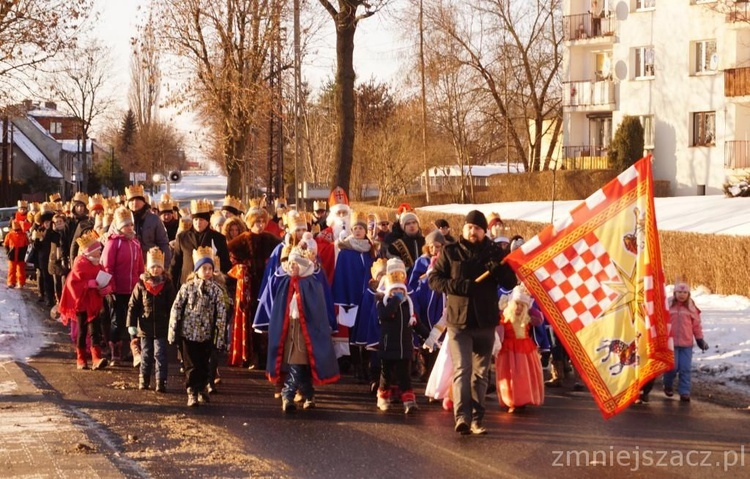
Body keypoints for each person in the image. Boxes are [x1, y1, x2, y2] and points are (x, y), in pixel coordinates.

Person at [429, 210, 517, 435]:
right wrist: (458, 286)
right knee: (462, 369)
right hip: (459, 322)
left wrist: (499, 271)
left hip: (485, 321)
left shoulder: (495, 253)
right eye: (469, 227)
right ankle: (462, 418)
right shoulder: (451, 252)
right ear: (464, 228)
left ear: (484, 230)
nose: (472, 231)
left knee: (480, 373)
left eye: (477, 228)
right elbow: (434, 280)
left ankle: (477, 419)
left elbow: (510, 282)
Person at [265, 244, 340, 412]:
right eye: (291, 264)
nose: (293, 267)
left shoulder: (312, 284)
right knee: (297, 363)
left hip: (306, 330)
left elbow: (317, 309)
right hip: (289, 329)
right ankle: (307, 393)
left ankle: (288, 394)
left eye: (296, 263)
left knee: (300, 362)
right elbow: (278, 307)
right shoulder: (285, 282)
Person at [168, 247, 228, 407]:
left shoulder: (216, 291)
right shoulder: (187, 288)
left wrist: (219, 336)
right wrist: (173, 331)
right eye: (204, 268)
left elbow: (221, 313)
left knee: (204, 364)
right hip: (188, 333)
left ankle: (202, 388)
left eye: (210, 269)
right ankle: (192, 391)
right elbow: (177, 308)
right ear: (197, 270)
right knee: (191, 364)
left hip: (206, 334)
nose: (207, 272)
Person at [376, 258, 426, 414]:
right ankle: (383, 397)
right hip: (388, 347)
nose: (398, 293)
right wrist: (395, 301)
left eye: (401, 291)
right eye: (395, 291)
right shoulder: (383, 303)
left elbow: (417, 324)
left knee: (404, 375)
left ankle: (409, 400)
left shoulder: (408, 306)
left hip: (405, 348)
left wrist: (429, 337)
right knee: (386, 375)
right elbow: (384, 315)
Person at [57, 230, 113, 370]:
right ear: (89, 253)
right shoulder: (80, 265)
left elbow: (104, 278)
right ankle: (81, 358)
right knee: (82, 331)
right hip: (81, 304)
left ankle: (96, 358)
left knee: (95, 330)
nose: (100, 253)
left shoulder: (97, 264)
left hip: (94, 303)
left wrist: (105, 288)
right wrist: (88, 284)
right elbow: (72, 284)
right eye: (97, 251)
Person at [127, 247, 177, 392]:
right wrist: (131, 323)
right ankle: (144, 379)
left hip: (161, 326)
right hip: (145, 326)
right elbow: (133, 305)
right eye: (153, 266)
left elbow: (172, 306)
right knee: (146, 354)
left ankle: (161, 381)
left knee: (160, 354)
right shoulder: (141, 285)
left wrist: (173, 323)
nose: (155, 270)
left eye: (158, 267)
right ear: (148, 268)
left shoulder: (167, 285)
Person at [101, 207, 145, 366]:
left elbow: (140, 266)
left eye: (131, 225)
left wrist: (142, 282)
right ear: (119, 226)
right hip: (117, 289)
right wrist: (111, 286)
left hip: (133, 289)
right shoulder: (114, 243)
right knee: (117, 320)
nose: (130, 228)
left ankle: (134, 348)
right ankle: (115, 349)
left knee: (133, 319)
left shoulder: (135, 243)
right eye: (126, 225)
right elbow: (107, 266)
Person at [495, 285, 545, 413]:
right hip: (508, 351)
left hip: (525, 350)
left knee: (523, 376)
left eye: (522, 305)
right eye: (517, 304)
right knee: (509, 376)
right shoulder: (503, 317)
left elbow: (539, 319)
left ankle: (523, 399)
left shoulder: (527, 318)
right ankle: (511, 400)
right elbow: (497, 331)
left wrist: (530, 303)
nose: (519, 307)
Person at [663, 280, 709, 402]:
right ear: (674, 293)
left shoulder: (691, 307)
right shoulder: (668, 305)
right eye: (679, 292)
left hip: (686, 344)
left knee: (685, 368)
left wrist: (700, 339)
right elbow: (661, 321)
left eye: (685, 292)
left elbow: (696, 325)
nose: (682, 295)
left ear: (688, 294)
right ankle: (667, 384)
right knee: (672, 367)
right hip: (670, 344)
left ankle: (684, 392)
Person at [4, 220, 29, 288]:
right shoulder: (9, 234)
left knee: (21, 270)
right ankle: (11, 282)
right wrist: (8, 252)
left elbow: (26, 244)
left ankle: (21, 282)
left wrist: (24, 253)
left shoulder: (23, 235)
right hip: (12, 254)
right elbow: (6, 244)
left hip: (20, 254)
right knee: (12, 270)